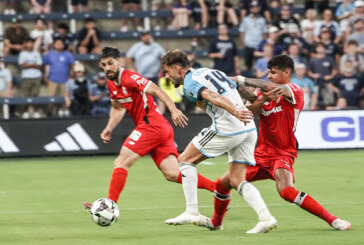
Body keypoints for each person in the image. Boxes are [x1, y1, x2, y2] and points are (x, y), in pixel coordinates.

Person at [227, 54, 351, 231]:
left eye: (273, 72)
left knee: (286, 191)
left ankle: (333, 220)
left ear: (286, 72)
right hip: (260, 153)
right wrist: (238, 87)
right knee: (228, 180)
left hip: (283, 152)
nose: (268, 76)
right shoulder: (263, 92)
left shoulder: (295, 90)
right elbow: (250, 110)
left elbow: (268, 86)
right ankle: (216, 221)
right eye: (268, 72)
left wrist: (240, 79)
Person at [161, 49, 277, 234]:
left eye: (167, 71)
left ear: (177, 68)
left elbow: (211, 95)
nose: (166, 76)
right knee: (237, 179)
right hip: (248, 128)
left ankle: (192, 211)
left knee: (184, 160)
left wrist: (235, 111)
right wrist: (255, 99)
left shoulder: (190, 83)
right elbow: (237, 87)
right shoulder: (209, 71)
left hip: (229, 127)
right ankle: (265, 217)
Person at [83, 47, 215, 209]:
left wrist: (173, 110)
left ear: (120, 62)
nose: (108, 68)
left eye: (111, 63)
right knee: (172, 173)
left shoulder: (130, 78)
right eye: (104, 65)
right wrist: (109, 128)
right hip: (158, 128)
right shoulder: (112, 84)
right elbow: (118, 108)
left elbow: (156, 90)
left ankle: (109, 205)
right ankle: (217, 189)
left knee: (121, 162)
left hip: (151, 125)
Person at [43, 38, 75, 116]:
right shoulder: (49, 54)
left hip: (65, 80)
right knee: (51, 98)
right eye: (57, 43)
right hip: (52, 79)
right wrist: (45, 75)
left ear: (63, 45)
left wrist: (71, 76)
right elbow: (44, 65)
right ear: (54, 45)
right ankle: (49, 113)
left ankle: (66, 112)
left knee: (66, 98)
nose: (59, 45)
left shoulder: (68, 54)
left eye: (61, 43)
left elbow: (72, 66)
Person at [239, 1, 269, 72]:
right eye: (253, 7)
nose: (255, 9)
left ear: (259, 8)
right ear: (250, 9)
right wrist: (244, 44)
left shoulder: (262, 20)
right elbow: (242, 32)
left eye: (256, 7)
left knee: (260, 65)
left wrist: (263, 44)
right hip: (249, 45)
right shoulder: (245, 20)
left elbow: (265, 33)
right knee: (248, 64)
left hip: (259, 46)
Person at [18, 38, 43, 119]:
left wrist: (28, 65)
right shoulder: (22, 54)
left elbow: (39, 65)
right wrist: (33, 64)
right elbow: (22, 65)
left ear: (33, 44)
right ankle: (25, 112)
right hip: (26, 77)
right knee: (25, 95)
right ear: (25, 44)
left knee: (35, 95)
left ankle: (36, 112)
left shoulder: (36, 53)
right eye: (27, 43)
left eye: (31, 43)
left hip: (36, 77)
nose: (29, 45)